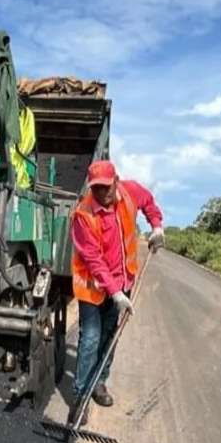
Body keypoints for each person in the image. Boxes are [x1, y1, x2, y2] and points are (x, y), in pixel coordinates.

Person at [70, 160, 165, 424]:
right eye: (97, 188)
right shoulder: (83, 214)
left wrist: (156, 226)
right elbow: (92, 259)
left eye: (106, 187)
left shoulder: (129, 191)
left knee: (111, 335)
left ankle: (99, 383)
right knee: (90, 338)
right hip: (92, 286)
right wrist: (114, 292)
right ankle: (79, 398)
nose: (102, 193)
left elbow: (148, 202)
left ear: (116, 181)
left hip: (123, 281)